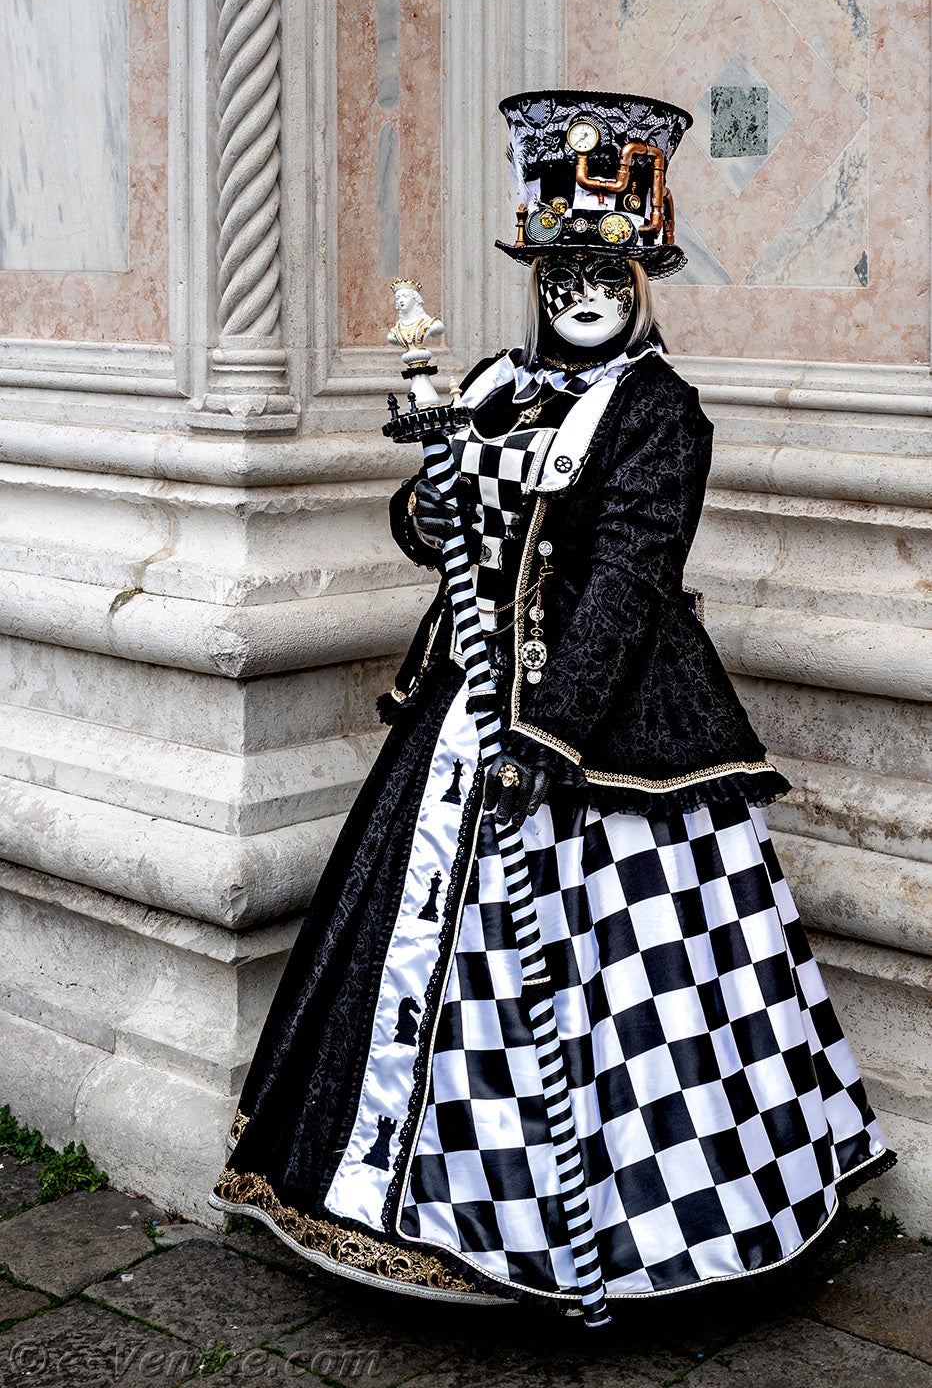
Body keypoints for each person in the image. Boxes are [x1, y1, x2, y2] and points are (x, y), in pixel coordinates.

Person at [209, 91, 892, 1316]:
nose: (581, 288)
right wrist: (428, 503)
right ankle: (394, 1194)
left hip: (608, 729)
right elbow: (431, 532)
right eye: (561, 268)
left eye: (605, 270)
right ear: (535, 276)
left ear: (641, 280)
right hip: (462, 705)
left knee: (637, 990)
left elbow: (629, 576)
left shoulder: (657, 411)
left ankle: (644, 1228)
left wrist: (546, 734)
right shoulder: (483, 383)